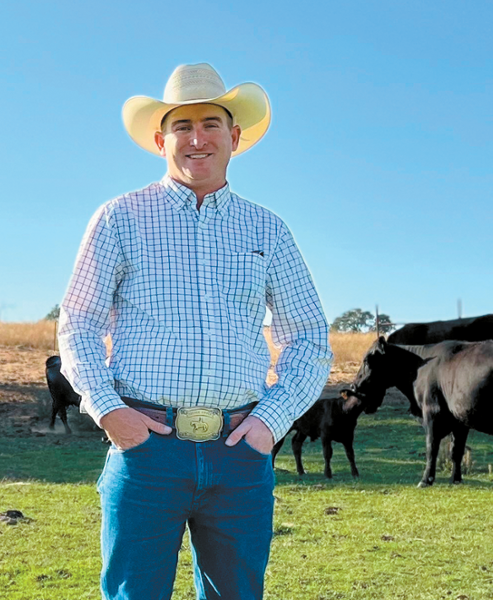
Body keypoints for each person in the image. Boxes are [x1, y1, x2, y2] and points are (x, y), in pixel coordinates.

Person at [57, 62, 332, 599]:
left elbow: (309, 338)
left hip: (240, 452)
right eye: (182, 126)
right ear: (161, 140)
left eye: (211, 123)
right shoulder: (119, 218)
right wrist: (109, 411)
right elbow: (79, 323)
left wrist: (269, 424)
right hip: (145, 450)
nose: (197, 138)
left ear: (234, 137)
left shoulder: (267, 229)